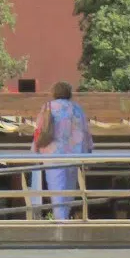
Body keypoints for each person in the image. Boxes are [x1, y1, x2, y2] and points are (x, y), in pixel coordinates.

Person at [35, 81, 93, 220]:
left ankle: (61, 222)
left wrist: (36, 148)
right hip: (73, 155)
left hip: (52, 155)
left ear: (54, 93)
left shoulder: (48, 107)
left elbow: (40, 130)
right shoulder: (77, 109)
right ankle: (64, 218)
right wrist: (88, 152)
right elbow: (85, 132)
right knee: (68, 190)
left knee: (57, 190)